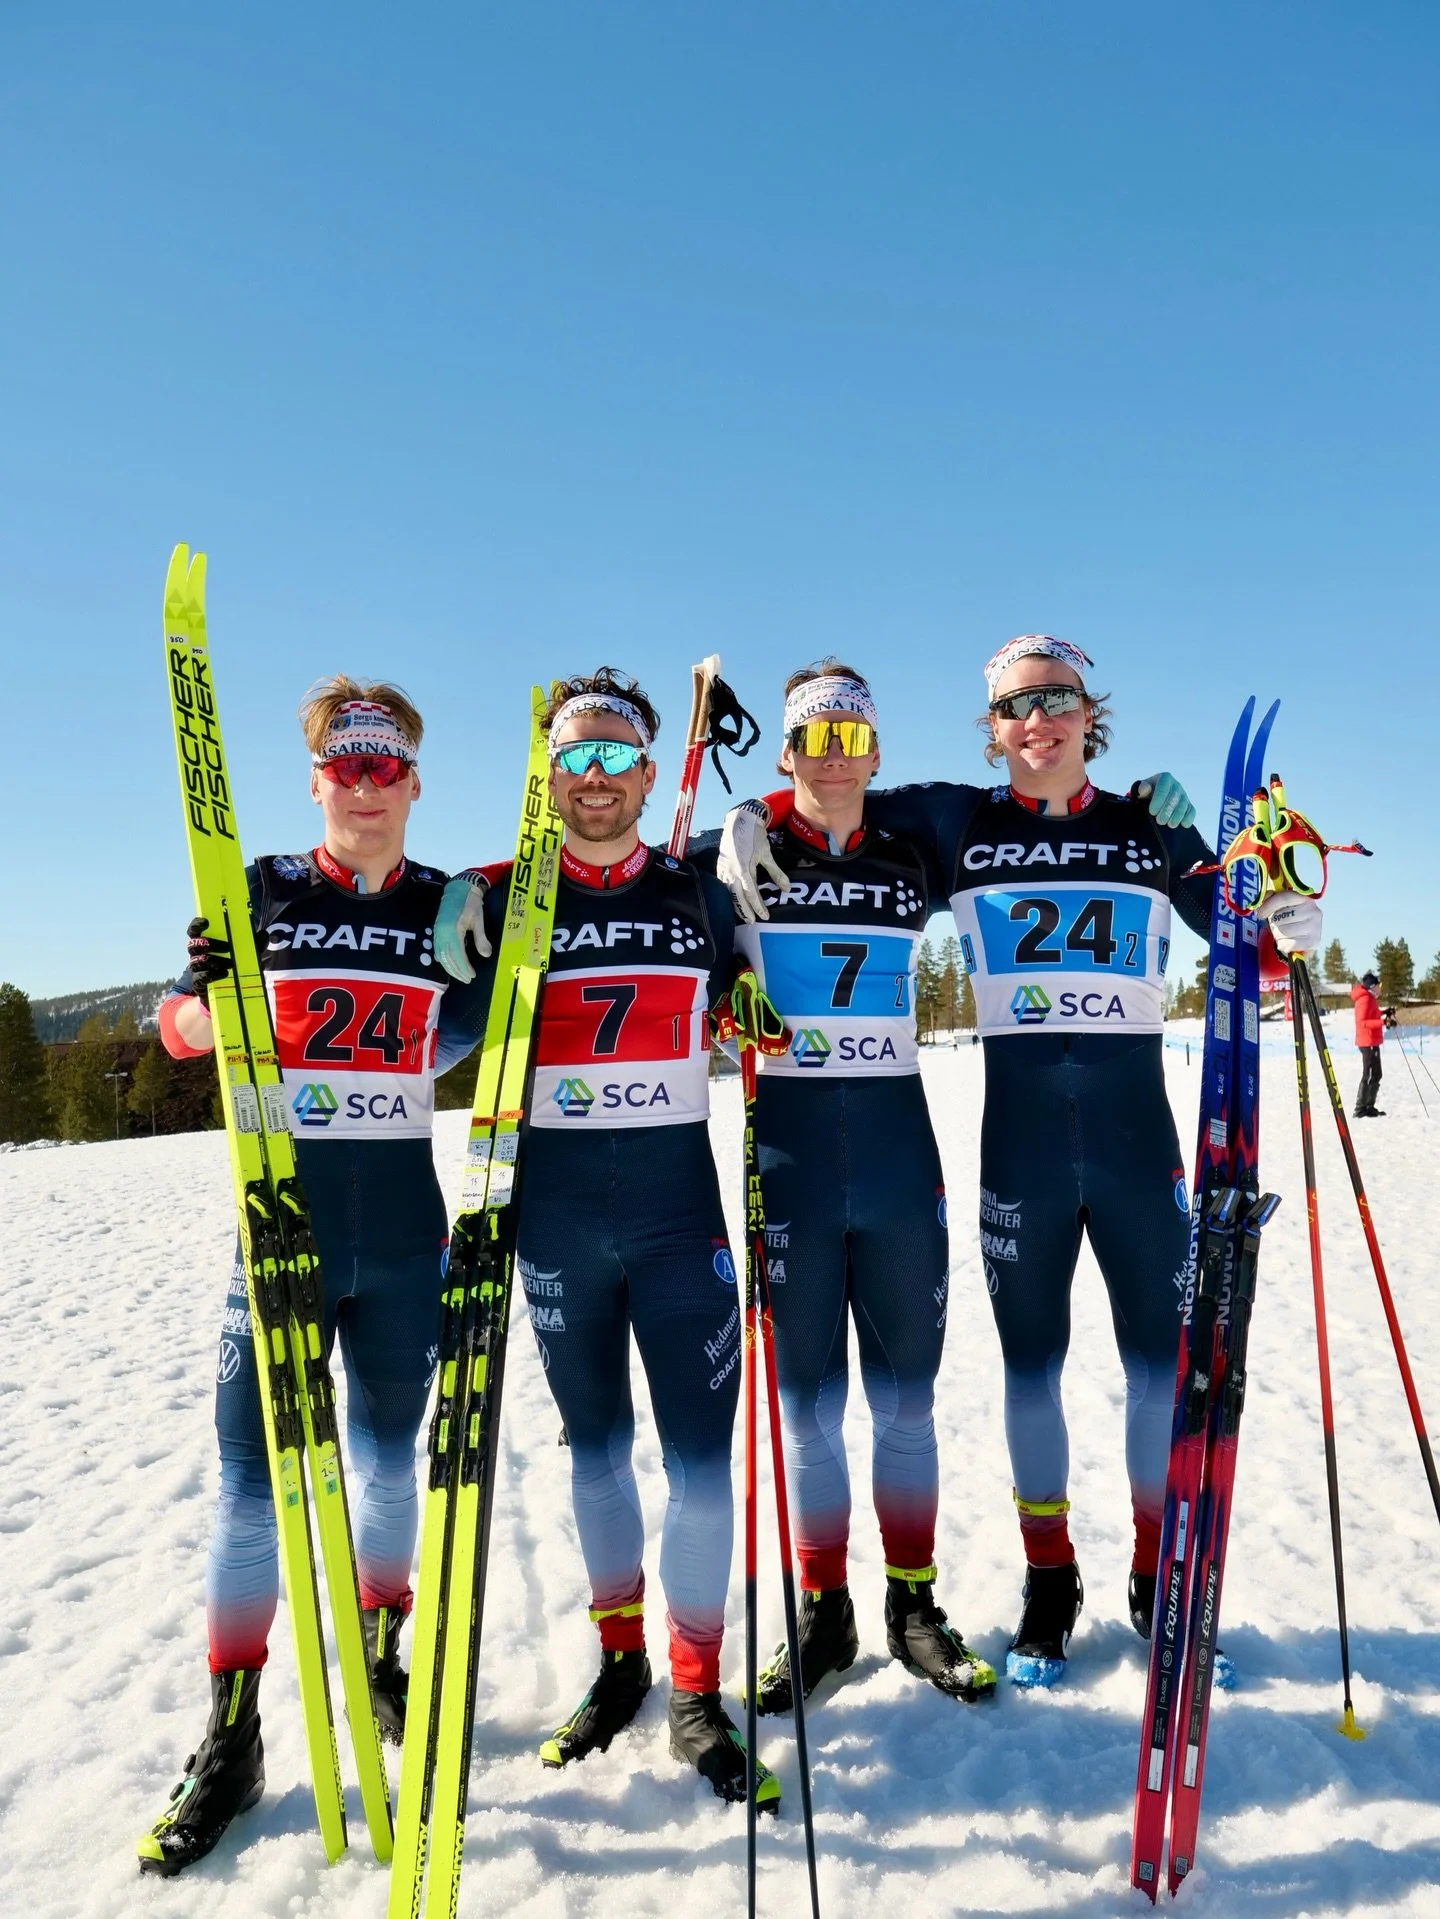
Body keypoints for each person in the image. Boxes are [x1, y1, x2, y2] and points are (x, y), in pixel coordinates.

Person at [719, 636, 1316, 1685]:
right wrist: (750, 817)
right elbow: (827, 795)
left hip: (1139, 1150)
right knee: (1029, 1372)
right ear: (990, 729)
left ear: (1091, 711)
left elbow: (1249, 946)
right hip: (1021, 1154)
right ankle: (1049, 1579)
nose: (1036, 719)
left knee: (1154, 1373)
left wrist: (1288, 916)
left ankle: (1155, 1571)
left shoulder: (1149, 826)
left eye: (1057, 700)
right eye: (1013, 706)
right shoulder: (956, 819)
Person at [139, 680, 487, 1875]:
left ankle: (383, 1650)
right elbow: (172, 1024)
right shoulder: (266, 888)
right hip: (278, 1222)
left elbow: (458, 1039)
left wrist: (482, 997)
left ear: (414, 780)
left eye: (386, 763)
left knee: (393, 1455)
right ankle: (231, 1737)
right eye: (347, 761)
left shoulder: (445, 903)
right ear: (317, 777)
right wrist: (204, 1000)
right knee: (250, 1480)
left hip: (400, 1224)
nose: (366, 781)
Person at [434, 669, 774, 1808]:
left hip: (682, 1216)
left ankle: (693, 1686)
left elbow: (744, 994)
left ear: (643, 766)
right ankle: (620, 1656)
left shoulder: (695, 892)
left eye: (613, 756)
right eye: (570, 759)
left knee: (698, 1464)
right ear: (547, 773)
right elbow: (428, 1041)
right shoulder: (501, 890)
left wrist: (745, 994)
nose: (593, 779)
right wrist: (439, 943)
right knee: (591, 1450)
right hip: (559, 1220)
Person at [688, 664, 996, 1711]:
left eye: (849, 735)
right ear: (785, 752)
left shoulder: (913, 850)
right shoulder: (734, 855)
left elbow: (1023, 807)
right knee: (806, 1411)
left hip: (901, 1155)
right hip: (794, 1162)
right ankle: (827, 1613)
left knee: (906, 1401)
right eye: (809, 740)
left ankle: (913, 1603)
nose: (831, 754)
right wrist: (730, 833)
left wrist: (1158, 824)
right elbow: (615, 863)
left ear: (874, 750)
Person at [1352, 969, 1385, 1117]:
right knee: (1370, 1074)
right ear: (1372, 986)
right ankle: (1360, 1109)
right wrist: (1382, 1022)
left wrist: (1384, 1014)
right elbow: (1362, 1022)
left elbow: (1373, 1015)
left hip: (1372, 1040)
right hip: (1367, 1041)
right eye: (1379, 985)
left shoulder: (1370, 999)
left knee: (1377, 1074)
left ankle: (1369, 1106)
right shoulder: (1364, 999)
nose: (1380, 988)